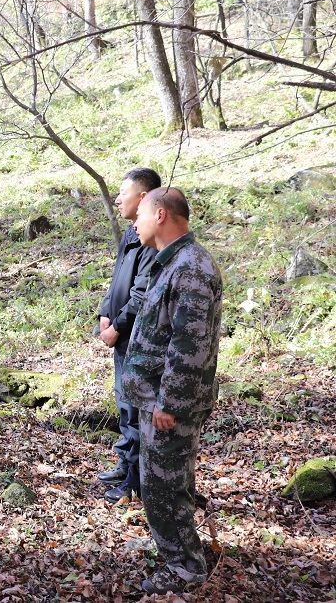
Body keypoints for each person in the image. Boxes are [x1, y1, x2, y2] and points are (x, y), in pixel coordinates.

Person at [122, 187, 223, 595]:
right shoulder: (171, 262)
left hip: (170, 406)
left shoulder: (190, 267)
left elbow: (190, 345)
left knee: (164, 487)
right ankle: (178, 551)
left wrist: (169, 403)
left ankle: (185, 567)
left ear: (161, 215)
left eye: (141, 215)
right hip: (158, 400)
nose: (135, 222)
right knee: (166, 484)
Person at [97, 167, 161, 503]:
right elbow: (118, 280)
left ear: (144, 196)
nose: (117, 199)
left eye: (124, 193)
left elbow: (141, 293)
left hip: (137, 339)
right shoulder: (131, 234)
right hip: (120, 335)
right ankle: (125, 465)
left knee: (136, 410)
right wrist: (104, 314)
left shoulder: (152, 240)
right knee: (124, 405)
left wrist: (118, 326)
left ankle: (135, 482)